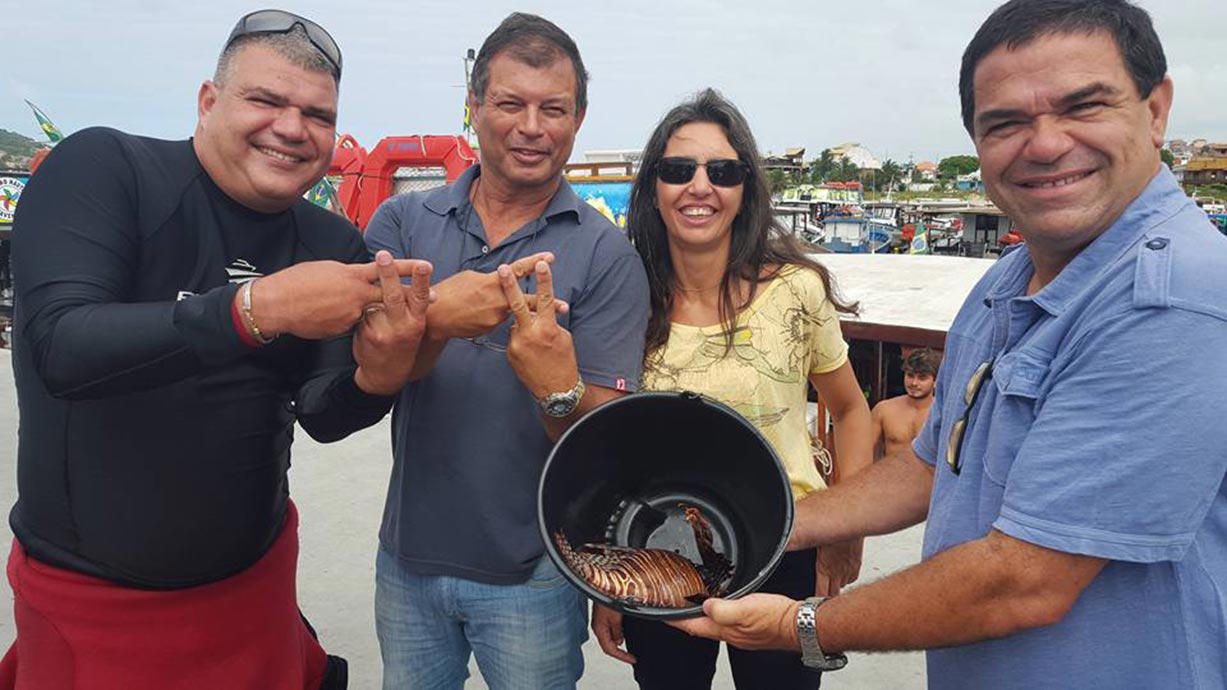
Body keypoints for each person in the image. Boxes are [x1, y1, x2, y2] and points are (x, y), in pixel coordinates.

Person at [670, 2, 1227, 689]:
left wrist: (799, 626)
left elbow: (1023, 580)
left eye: (1083, 106)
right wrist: (766, 525)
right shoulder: (1008, 279)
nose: (1045, 143)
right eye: (1006, 123)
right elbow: (934, 466)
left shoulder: (1172, 301)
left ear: (1155, 108)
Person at [0, 11, 434, 690]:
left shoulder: (329, 241)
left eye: (317, 115)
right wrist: (257, 309)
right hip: (93, 599)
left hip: (253, 584)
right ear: (208, 102)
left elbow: (322, 412)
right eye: (265, 100)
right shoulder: (106, 168)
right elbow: (61, 346)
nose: (291, 128)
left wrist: (380, 374)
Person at [361, 12, 650, 690]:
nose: (531, 127)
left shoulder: (606, 254)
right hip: (406, 558)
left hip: (537, 572)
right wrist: (436, 319)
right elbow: (364, 377)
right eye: (509, 104)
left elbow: (606, 436)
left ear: (577, 118)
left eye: (553, 109)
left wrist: (555, 387)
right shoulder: (403, 222)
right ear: (473, 109)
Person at [588, 89, 873, 690]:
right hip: (657, 547)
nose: (699, 186)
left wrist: (848, 527)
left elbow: (850, 410)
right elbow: (608, 446)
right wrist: (607, 574)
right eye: (677, 169)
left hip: (788, 539)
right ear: (653, 188)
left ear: (745, 189)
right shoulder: (624, 299)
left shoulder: (796, 290)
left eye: (722, 171)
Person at [870, 347, 941, 459]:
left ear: (936, 381)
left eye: (922, 378)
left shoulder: (943, 414)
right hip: (891, 474)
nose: (914, 383)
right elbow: (865, 451)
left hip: (929, 475)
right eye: (910, 375)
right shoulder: (884, 410)